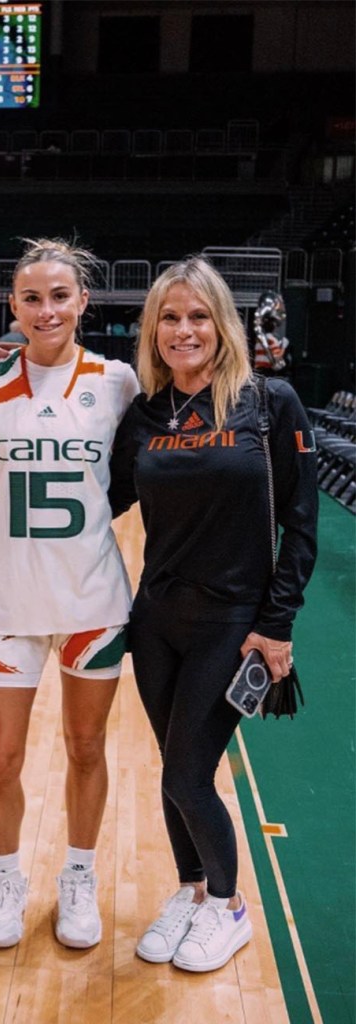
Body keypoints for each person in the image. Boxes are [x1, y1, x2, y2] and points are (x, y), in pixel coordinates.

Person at [108, 257, 317, 972]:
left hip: (233, 624)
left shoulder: (269, 402)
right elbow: (102, 500)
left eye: (198, 315)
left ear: (222, 322)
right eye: (169, 317)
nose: (184, 329)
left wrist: (279, 622)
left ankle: (229, 907)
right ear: (153, 329)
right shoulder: (144, 415)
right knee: (173, 764)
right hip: (156, 620)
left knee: (188, 775)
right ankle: (191, 891)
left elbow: (301, 520)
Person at [0, 238, 140, 949]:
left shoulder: (119, 380)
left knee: (87, 748)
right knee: (1, 759)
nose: (46, 310)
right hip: (7, 605)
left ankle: (78, 876)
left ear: (83, 303)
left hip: (92, 603)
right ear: (12, 305)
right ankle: (5, 879)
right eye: (31, 298)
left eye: (59, 296)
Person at [252, 289, 291, 378]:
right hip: (268, 373)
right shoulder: (271, 339)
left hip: (257, 372)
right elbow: (277, 360)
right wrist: (284, 346)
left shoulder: (258, 340)